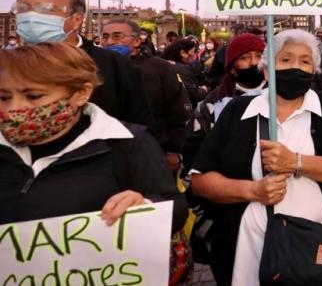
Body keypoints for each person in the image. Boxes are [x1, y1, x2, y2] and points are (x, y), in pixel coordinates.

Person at [188, 29, 322, 286]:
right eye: (286, 59)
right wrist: (253, 190)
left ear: (314, 70)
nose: (296, 67)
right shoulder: (237, 111)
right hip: (247, 248)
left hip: (313, 248)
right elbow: (200, 182)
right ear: (267, 71)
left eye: (305, 61)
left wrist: (297, 162)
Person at [0, 43, 188, 234]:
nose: (14, 108)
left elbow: (174, 206)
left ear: (81, 93)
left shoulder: (126, 143)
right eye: (4, 97)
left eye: (33, 96)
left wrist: (145, 206)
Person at [13, 0, 153, 127]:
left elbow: (139, 124)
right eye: (22, 8)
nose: (29, 16)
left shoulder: (115, 65)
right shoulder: (8, 64)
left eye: (45, 9)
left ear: (77, 20)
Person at [102, 18, 191, 172]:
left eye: (117, 36)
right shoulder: (93, 67)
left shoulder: (159, 68)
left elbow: (178, 110)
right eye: (105, 37)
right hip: (105, 152)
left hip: (152, 150)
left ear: (137, 41)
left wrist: (174, 151)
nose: (109, 42)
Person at [163, 38, 208, 108]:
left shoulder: (167, 65)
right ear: (183, 53)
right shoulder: (182, 69)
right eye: (194, 51)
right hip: (182, 111)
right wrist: (203, 90)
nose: (195, 54)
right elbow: (193, 94)